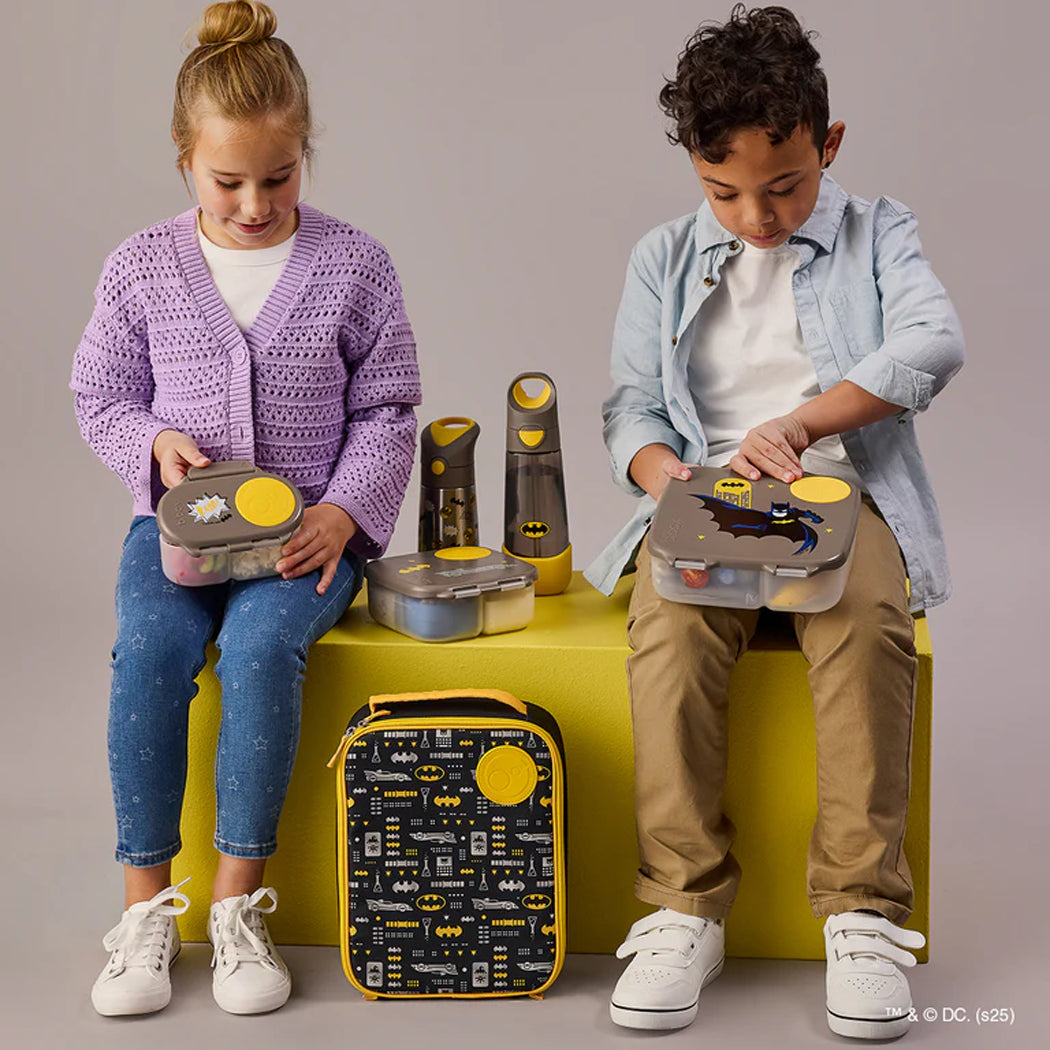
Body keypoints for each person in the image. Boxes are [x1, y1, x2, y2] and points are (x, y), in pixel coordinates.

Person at [584, 5, 963, 1040]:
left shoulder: (880, 230)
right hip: (710, 501)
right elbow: (630, 407)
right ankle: (681, 905)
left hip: (843, 490)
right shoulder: (662, 257)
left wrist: (800, 424)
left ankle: (863, 912)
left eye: (785, 185)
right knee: (666, 635)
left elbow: (932, 343)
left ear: (827, 145)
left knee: (865, 627)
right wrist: (674, 482)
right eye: (724, 192)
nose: (755, 214)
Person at [71, 0, 421, 1017]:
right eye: (229, 181)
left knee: (265, 652)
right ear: (184, 158)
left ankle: (237, 905)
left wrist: (348, 513)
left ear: (305, 153)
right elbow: (101, 394)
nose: (256, 202)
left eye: (280, 175)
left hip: (311, 532)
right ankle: (146, 908)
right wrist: (151, 443)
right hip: (176, 533)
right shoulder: (140, 267)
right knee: (147, 649)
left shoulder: (357, 265)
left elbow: (389, 406)